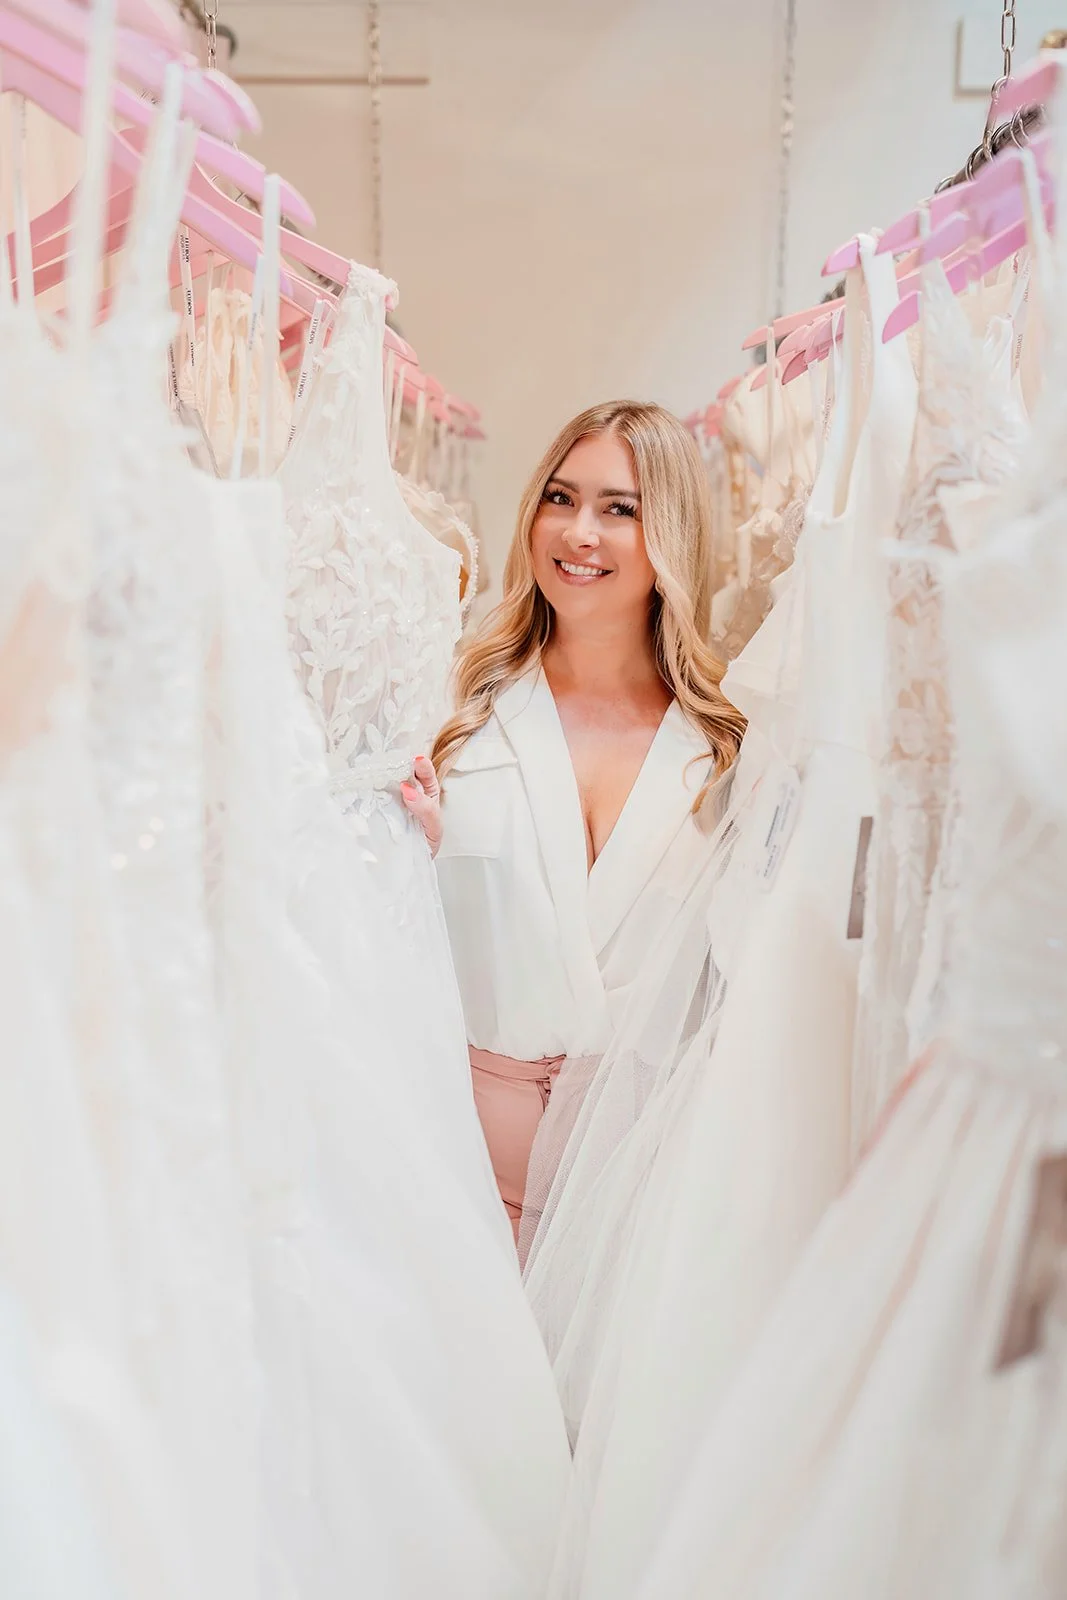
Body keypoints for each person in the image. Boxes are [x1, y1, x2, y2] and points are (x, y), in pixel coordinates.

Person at [401, 399, 745, 1245]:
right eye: (559, 498)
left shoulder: (728, 750)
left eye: (617, 509)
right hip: (456, 1181)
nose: (577, 531)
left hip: (640, 1201)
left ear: (667, 532)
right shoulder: (449, 708)